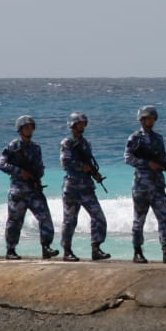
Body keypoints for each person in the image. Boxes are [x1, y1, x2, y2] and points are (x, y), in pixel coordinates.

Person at [124, 105, 166, 264]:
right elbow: (128, 158)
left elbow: (162, 158)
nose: (150, 121)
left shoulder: (158, 138)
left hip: (157, 185)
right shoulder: (135, 138)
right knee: (139, 220)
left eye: (152, 118)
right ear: (142, 120)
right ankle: (137, 252)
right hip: (141, 185)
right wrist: (146, 163)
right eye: (147, 118)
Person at [0, 115, 57, 260]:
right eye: (26, 127)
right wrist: (20, 172)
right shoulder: (13, 146)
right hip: (18, 190)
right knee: (15, 221)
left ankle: (46, 247)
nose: (29, 130)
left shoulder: (36, 148)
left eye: (31, 127)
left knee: (45, 218)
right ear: (20, 130)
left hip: (34, 189)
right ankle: (10, 250)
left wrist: (37, 175)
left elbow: (40, 166)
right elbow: (2, 164)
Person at [59, 112, 111, 262]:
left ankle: (96, 248)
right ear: (73, 125)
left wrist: (95, 174)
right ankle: (67, 250)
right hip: (72, 187)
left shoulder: (85, 143)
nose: (82, 126)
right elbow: (65, 162)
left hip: (87, 187)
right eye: (79, 124)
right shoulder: (67, 142)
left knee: (99, 217)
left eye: (83, 124)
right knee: (70, 221)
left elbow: (90, 163)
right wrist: (83, 167)